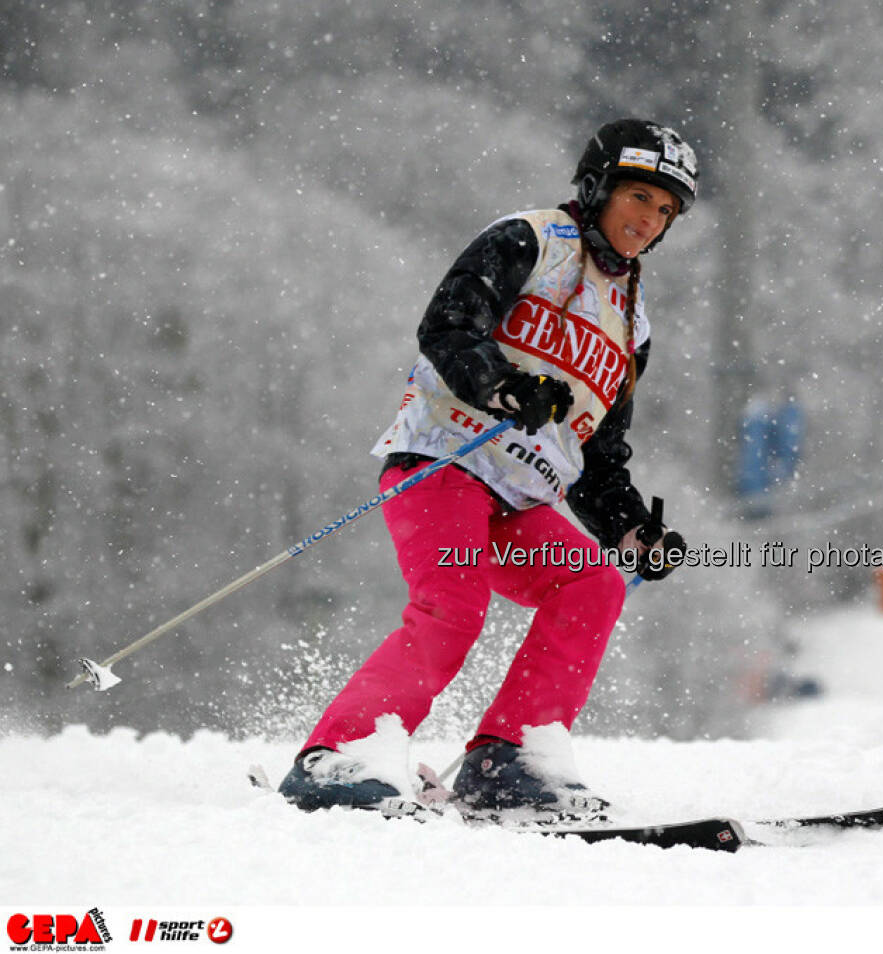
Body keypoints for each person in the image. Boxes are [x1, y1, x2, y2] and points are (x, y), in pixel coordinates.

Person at [277, 119, 697, 821]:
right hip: (443, 461)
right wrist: (501, 385)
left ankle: (511, 758)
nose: (647, 222)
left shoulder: (632, 322)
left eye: (663, 213)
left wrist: (630, 530)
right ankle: (338, 754)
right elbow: (449, 324)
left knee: (592, 583)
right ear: (595, 189)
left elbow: (598, 455)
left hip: (520, 496)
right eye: (637, 199)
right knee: (454, 606)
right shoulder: (529, 240)